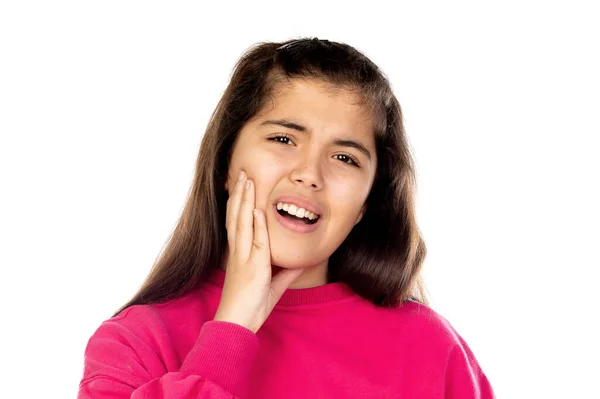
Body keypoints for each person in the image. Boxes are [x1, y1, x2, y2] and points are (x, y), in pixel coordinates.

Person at [77, 37, 494, 398]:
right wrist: (232, 328)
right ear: (226, 162)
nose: (310, 175)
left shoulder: (430, 349)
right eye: (283, 138)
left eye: (345, 158)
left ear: (367, 202)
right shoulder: (136, 343)